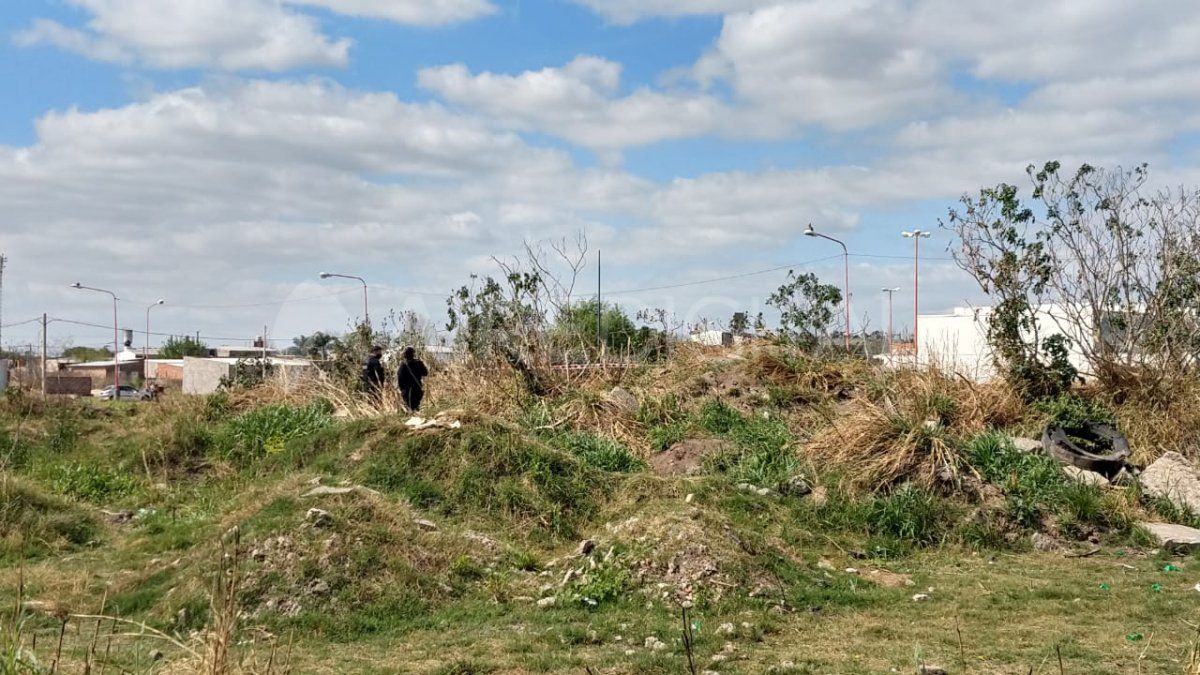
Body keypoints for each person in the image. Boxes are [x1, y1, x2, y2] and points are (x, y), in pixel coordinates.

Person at [396, 346, 429, 411]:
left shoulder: (403, 365)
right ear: (413, 354)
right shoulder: (419, 363)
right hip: (417, 388)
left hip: (407, 390)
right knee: (416, 406)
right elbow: (425, 373)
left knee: (409, 407)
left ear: (404, 355)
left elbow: (399, 377)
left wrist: (401, 389)